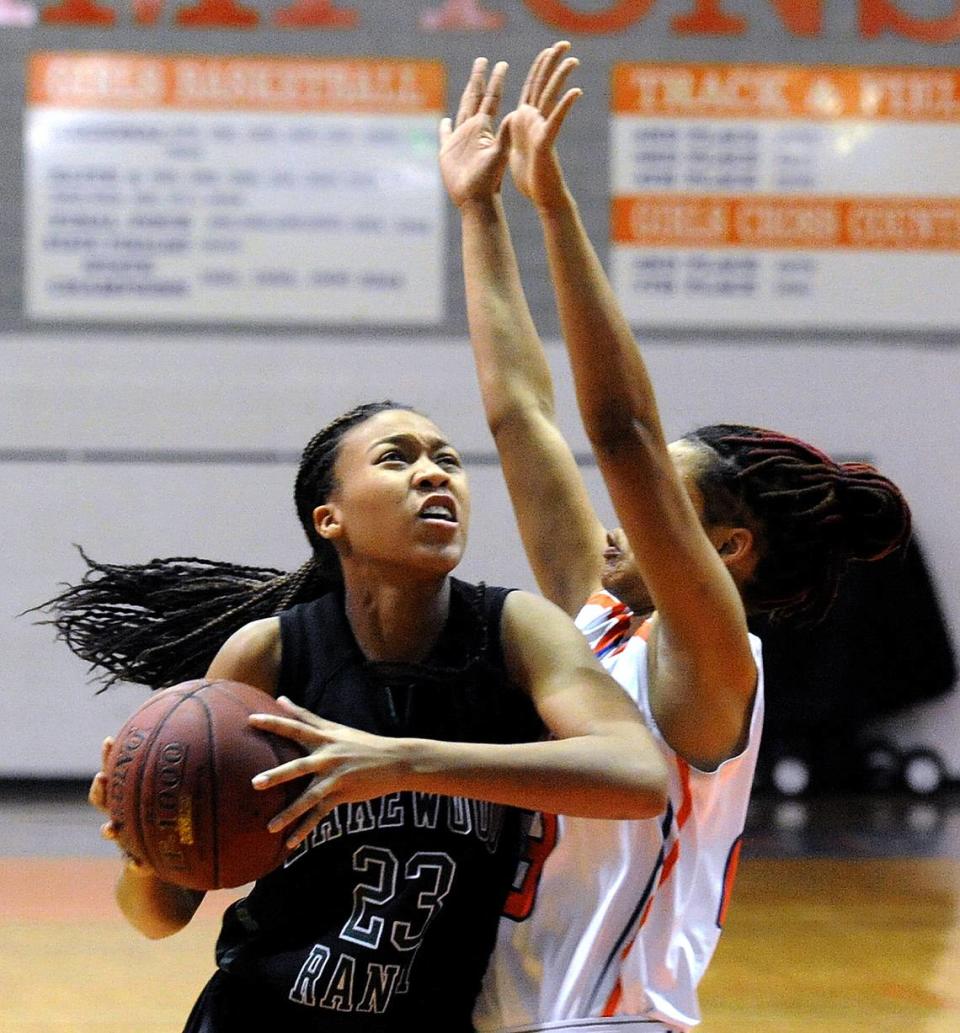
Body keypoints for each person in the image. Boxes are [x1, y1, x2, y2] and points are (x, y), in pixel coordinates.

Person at [438, 45, 913, 1032]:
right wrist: (480, 212)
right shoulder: (603, 620)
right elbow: (521, 417)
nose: (619, 513)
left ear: (726, 550)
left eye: (662, 498)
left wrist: (558, 210)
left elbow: (622, 434)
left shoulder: (712, 659)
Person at [47, 400, 669, 1032]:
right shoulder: (273, 653)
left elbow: (640, 776)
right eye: (397, 459)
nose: (434, 475)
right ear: (330, 518)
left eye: (446, 460)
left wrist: (401, 763)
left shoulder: (514, 630)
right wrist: (143, 848)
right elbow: (160, 917)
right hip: (259, 1017)